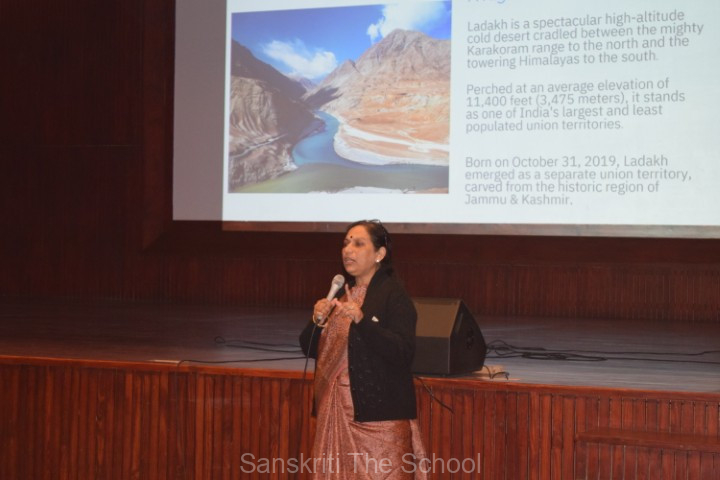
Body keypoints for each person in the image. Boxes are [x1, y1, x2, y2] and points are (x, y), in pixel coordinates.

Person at [299, 220, 428, 479]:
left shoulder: (394, 296)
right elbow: (310, 348)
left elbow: (402, 352)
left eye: (358, 244)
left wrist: (362, 321)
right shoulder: (343, 296)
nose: (348, 250)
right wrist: (317, 320)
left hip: (379, 420)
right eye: (346, 243)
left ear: (380, 254)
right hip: (337, 412)